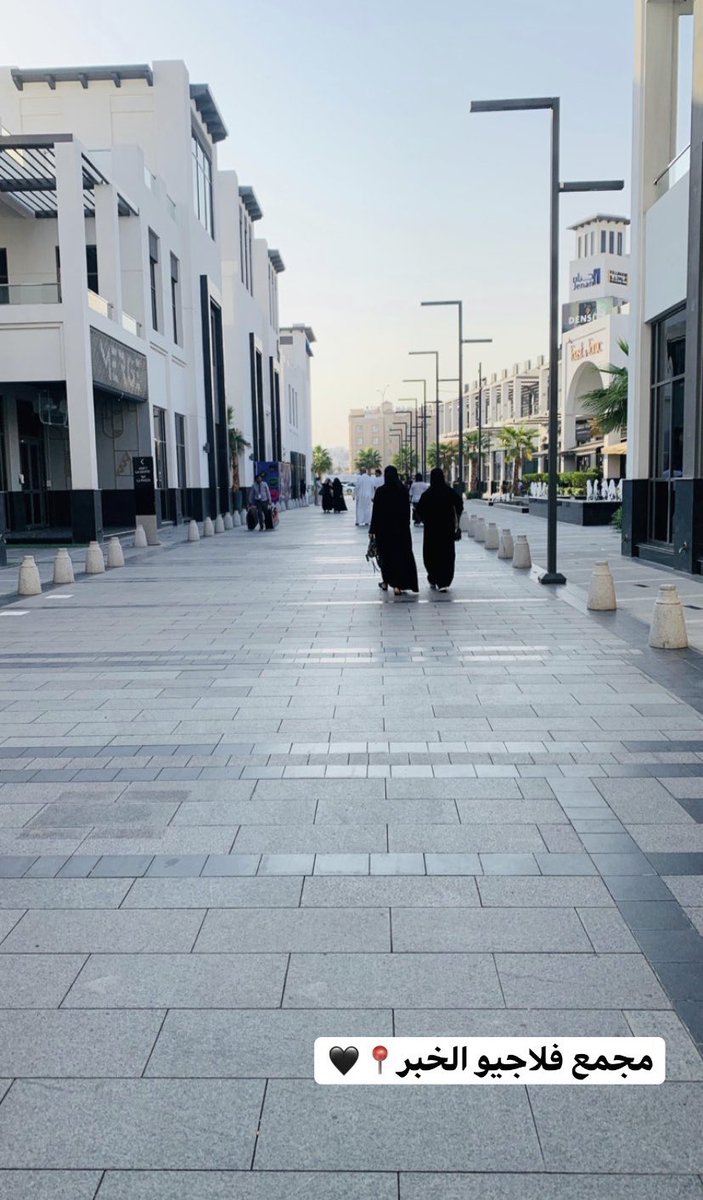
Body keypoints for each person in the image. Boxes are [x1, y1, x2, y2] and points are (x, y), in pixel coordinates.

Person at [369, 465, 419, 595]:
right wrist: (406, 525)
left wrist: (372, 529)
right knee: (400, 556)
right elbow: (407, 511)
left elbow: (376, 512)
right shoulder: (402, 490)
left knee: (385, 556)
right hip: (401, 530)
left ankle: (386, 581)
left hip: (384, 531)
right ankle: (398, 585)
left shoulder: (380, 491)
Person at [414, 467, 463, 592]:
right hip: (447, 530)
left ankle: (433, 577)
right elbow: (459, 504)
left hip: (431, 530)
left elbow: (419, 510)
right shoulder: (449, 492)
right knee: (446, 555)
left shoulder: (427, 494)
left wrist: (425, 519)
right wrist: (455, 517)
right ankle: (443, 581)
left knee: (431, 555)